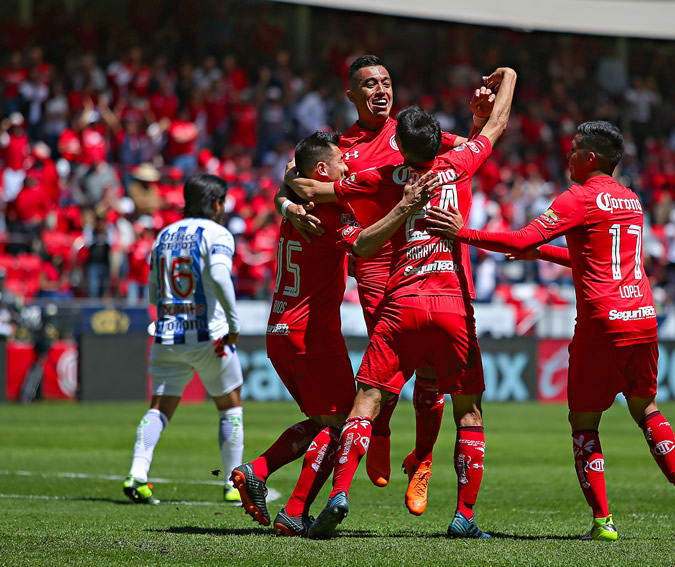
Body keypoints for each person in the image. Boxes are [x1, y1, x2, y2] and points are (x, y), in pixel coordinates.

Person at [427, 120, 675, 541]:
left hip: (602, 321)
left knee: (584, 423)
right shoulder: (631, 200)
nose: (568, 156)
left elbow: (520, 240)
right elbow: (592, 258)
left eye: (575, 149)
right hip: (643, 316)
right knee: (645, 408)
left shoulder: (578, 198)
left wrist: (461, 233)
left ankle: (603, 522)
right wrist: (543, 253)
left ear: (590, 158)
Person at [287, 66, 516, 539]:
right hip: (450, 299)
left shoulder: (385, 175)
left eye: (386, 83)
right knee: (468, 410)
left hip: (402, 293)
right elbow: (494, 129)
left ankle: (342, 492)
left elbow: (310, 186)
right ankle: (464, 517)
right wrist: (509, 76)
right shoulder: (459, 163)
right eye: (370, 84)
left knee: (366, 399)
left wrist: (291, 200)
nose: (381, 91)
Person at [229, 131, 439, 536]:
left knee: (324, 420)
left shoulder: (299, 204)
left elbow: (290, 177)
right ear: (322, 169)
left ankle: (259, 471)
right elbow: (361, 245)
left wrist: (285, 201)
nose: (348, 168)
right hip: (311, 333)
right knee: (344, 425)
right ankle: (292, 509)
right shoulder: (326, 211)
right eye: (342, 163)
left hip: (280, 328)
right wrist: (404, 206)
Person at [123, 173, 245, 504]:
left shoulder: (163, 236)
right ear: (218, 204)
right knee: (230, 407)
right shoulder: (218, 233)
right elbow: (219, 275)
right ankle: (233, 484)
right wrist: (234, 323)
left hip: (167, 335)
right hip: (210, 337)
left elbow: (152, 292)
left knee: (159, 409)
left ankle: (137, 473)